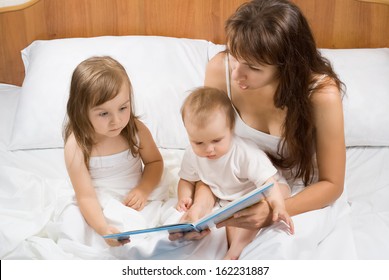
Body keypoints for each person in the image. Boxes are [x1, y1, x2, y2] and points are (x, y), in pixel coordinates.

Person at [173, 0, 346, 259]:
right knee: (182, 246)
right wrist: (199, 207)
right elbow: (210, 156)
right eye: (234, 56)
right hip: (230, 185)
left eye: (253, 67)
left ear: (287, 66)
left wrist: (271, 209)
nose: (236, 74)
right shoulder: (221, 70)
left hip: (295, 195)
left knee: (275, 252)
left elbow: (332, 184)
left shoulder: (321, 94)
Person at [176, 86, 294, 259]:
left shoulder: (245, 153)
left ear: (231, 129)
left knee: (254, 210)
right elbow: (186, 179)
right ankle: (216, 233)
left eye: (216, 140)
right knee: (230, 218)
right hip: (230, 197)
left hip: (267, 188)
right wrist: (184, 196)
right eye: (198, 142)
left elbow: (268, 183)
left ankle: (236, 250)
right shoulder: (192, 154)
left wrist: (278, 205)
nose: (209, 149)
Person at [63, 56, 164, 248]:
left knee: (161, 226)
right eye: (103, 113)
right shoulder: (76, 145)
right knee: (75, 227)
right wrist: (103, 229)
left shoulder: (136, 130)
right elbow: (85, 196)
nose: (116, 120)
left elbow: (154, 163)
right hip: (96, 203)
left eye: (123, 108)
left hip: (136, 198)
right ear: (81, 110)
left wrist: (143, 190)